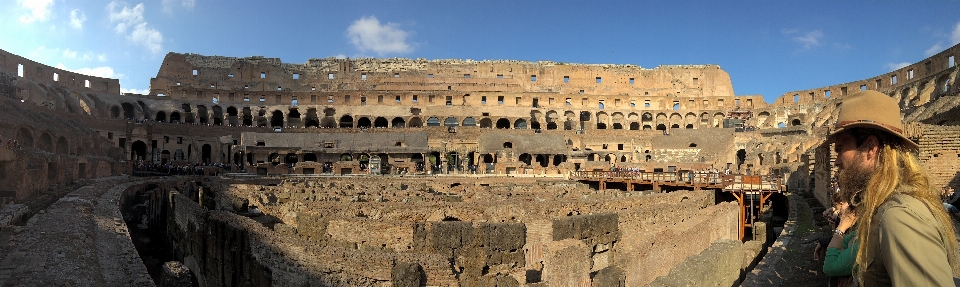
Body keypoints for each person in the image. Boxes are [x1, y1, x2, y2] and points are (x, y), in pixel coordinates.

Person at [821, 90, 958, 286]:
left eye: (841, 149)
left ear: (870, 148)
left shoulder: (899, 216)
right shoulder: (881, 206)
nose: (837, 161)